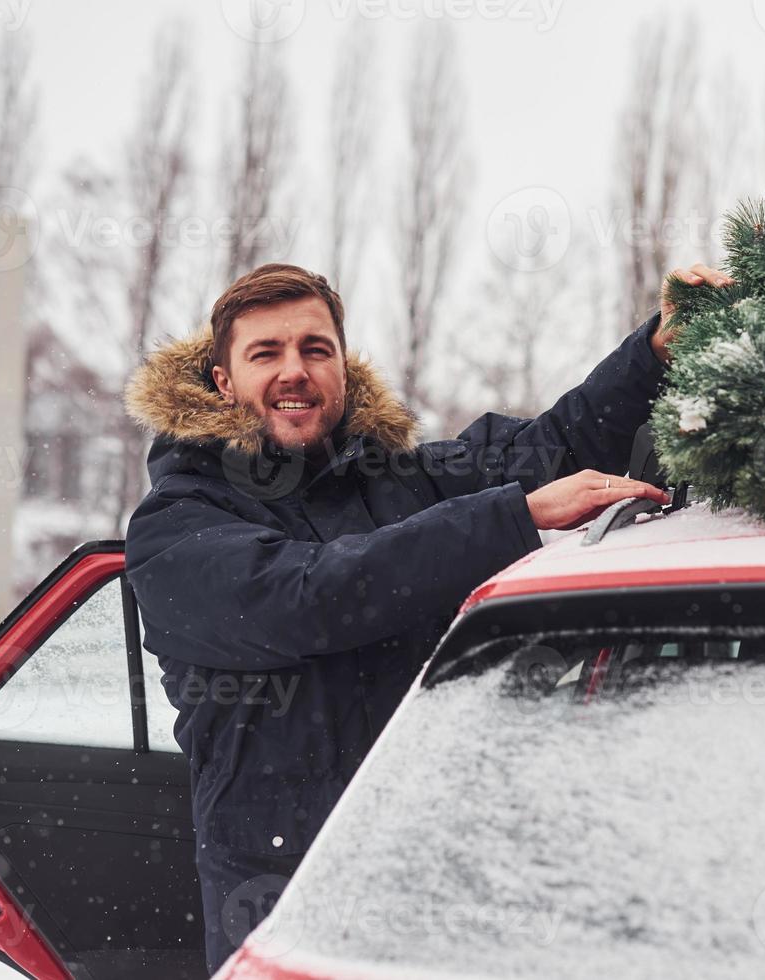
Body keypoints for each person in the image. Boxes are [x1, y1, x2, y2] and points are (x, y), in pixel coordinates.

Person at [122, 260, 732, 973]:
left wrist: (652, 349)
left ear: (343, 370)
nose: (295, 370)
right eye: (267, 353)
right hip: (287, 900)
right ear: (223, 381)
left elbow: (547, 448)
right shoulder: (175, 526)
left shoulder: (399, 480)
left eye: (316, 349)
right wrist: (512, 516)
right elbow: (308, 600)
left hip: (434, 880)